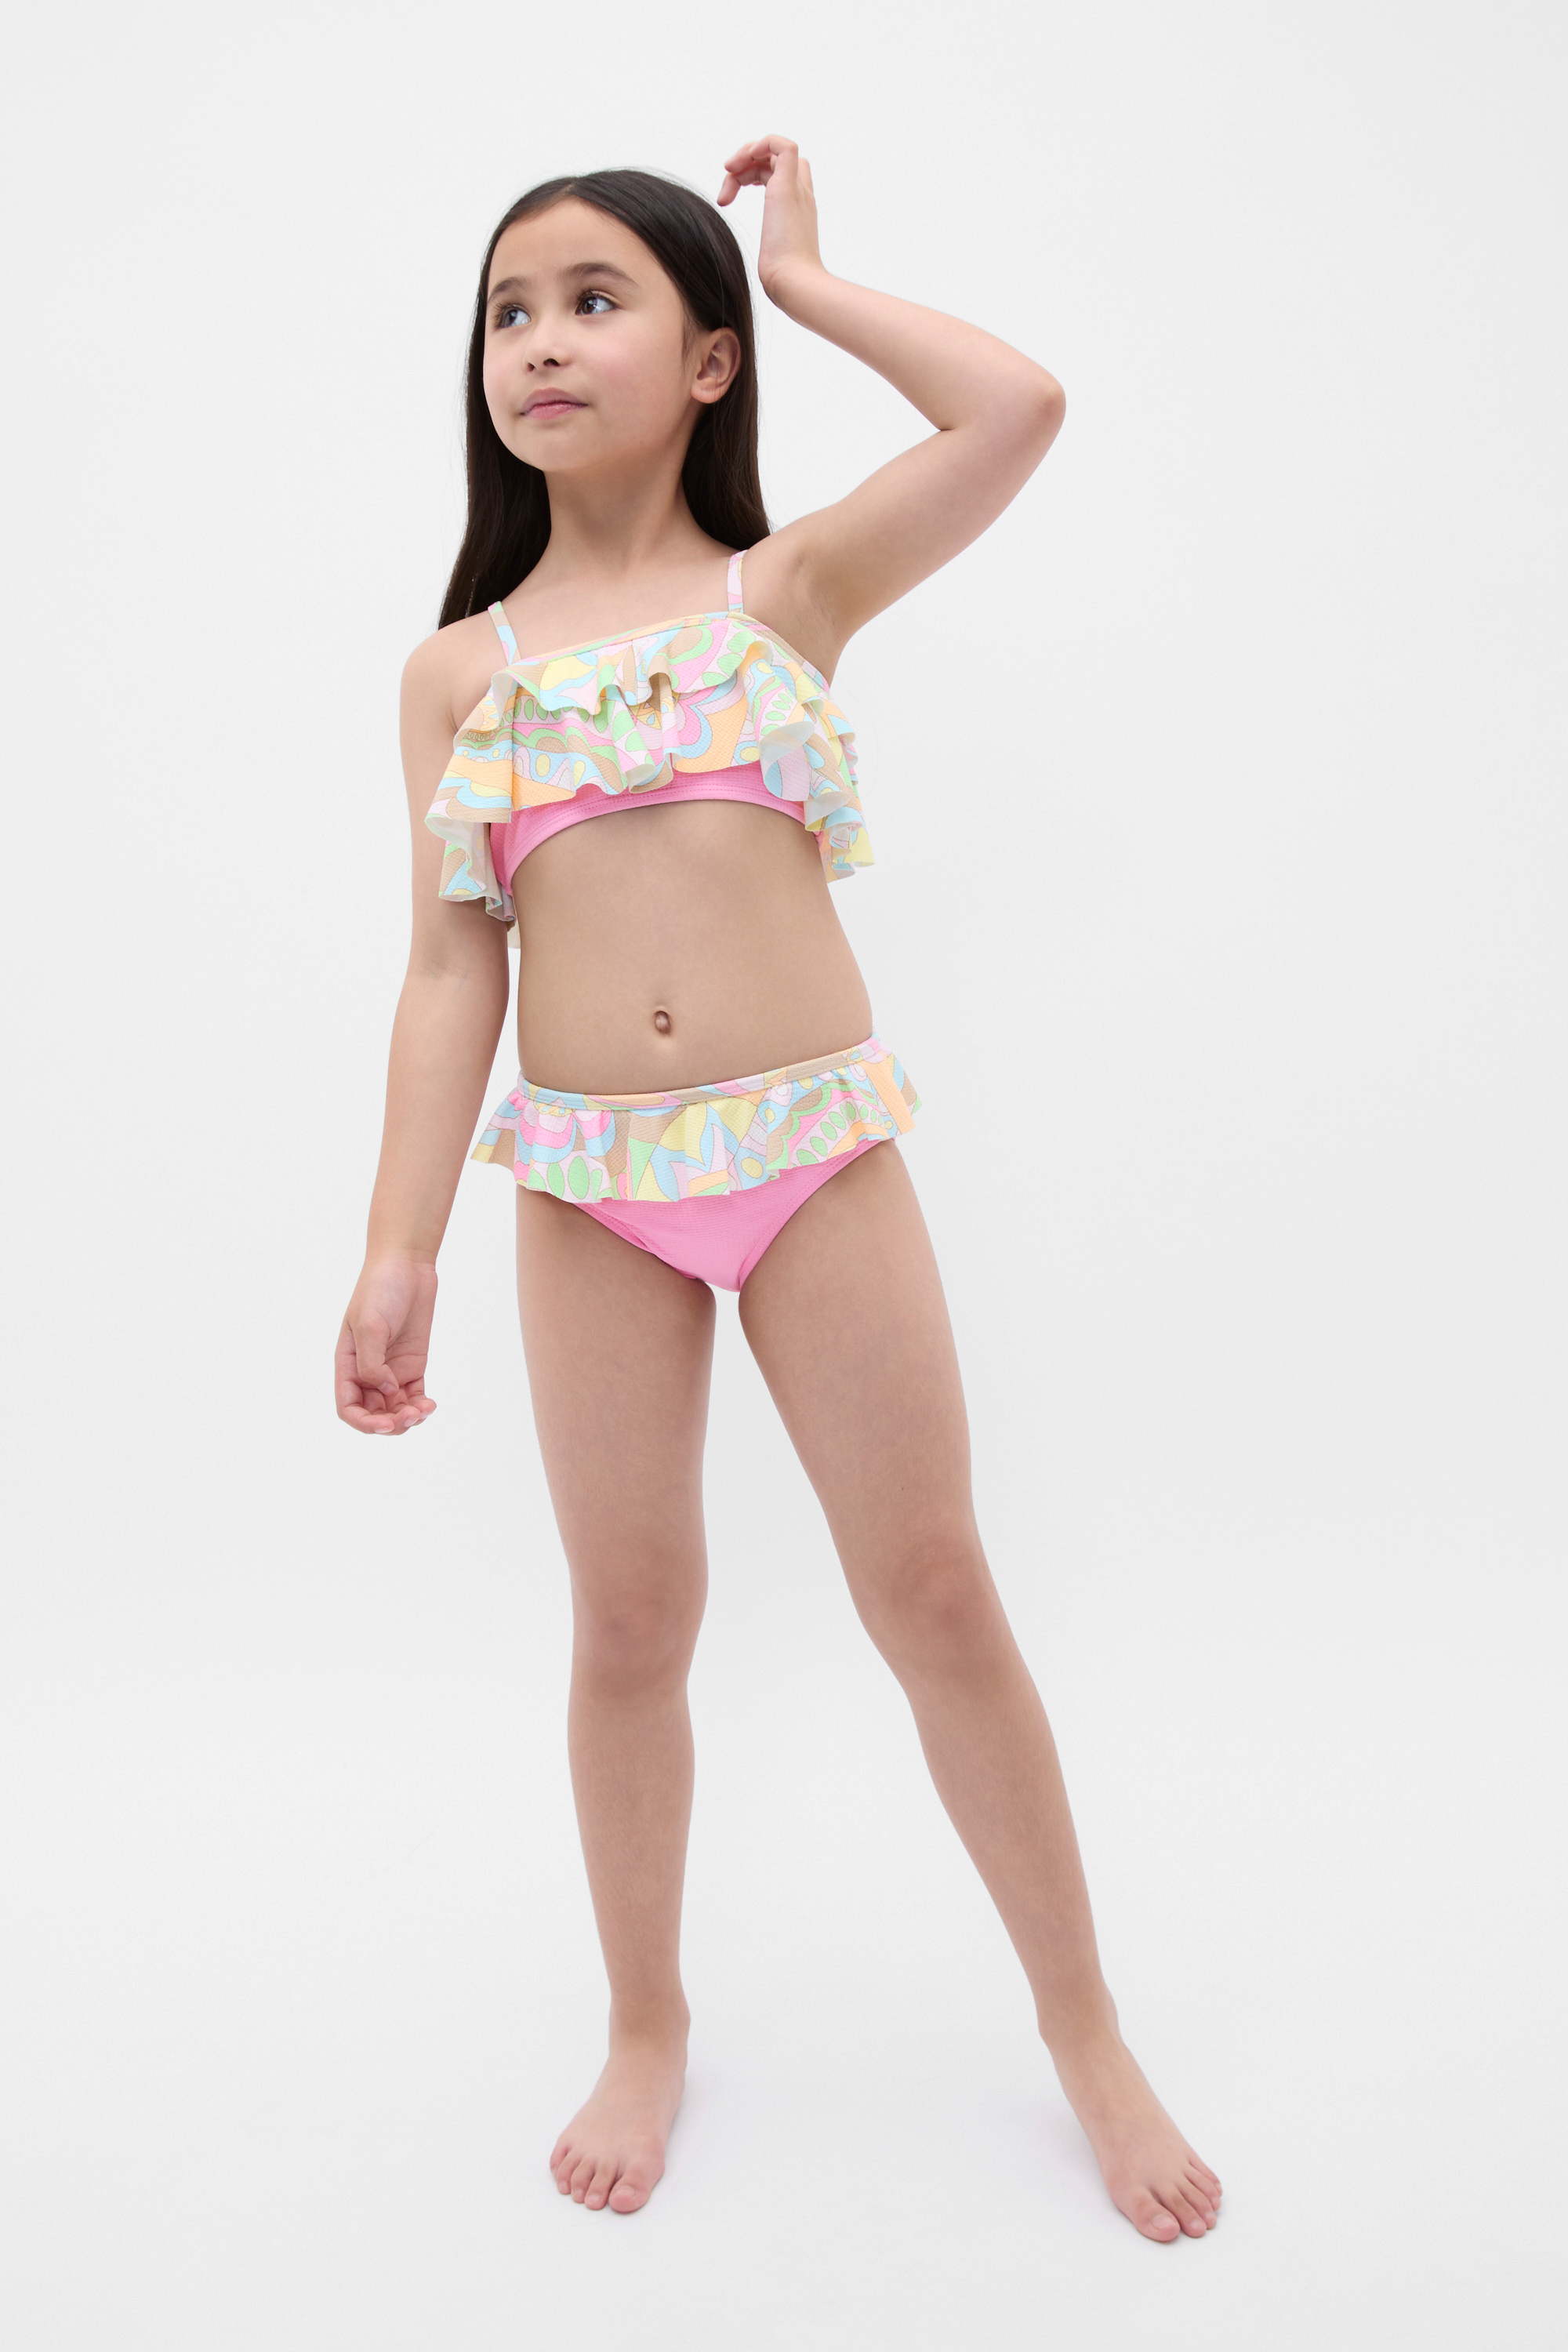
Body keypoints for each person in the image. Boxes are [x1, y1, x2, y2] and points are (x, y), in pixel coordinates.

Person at [336, 135, 1221, 2241]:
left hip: (811, 1156)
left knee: (935, 1588)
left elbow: (1016, 408)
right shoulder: (458, 670)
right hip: (591, 1190)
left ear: (709, 360)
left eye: (596, 300)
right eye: (510, 310)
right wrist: (397, 1247)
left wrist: (802, 276)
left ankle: (1083, 2024)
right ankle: (647, 2020)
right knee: (633, 1622)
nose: (540, 342)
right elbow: (451, 970)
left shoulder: (785, 592)